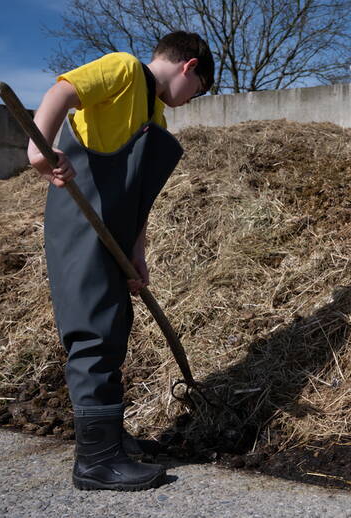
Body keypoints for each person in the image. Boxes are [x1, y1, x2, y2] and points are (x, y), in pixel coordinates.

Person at [27, 31, 214, 491]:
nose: (192, 100)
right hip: (82, 223)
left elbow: (138, 196)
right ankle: (95, 461)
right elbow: (64, 90)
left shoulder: (153, 119)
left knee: (112, 327)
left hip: (114, 235)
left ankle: (109, 438)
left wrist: (137, 251)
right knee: (93, 332)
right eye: (200, 89)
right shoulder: (126, 69)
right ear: (189, 67)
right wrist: (38, 149)